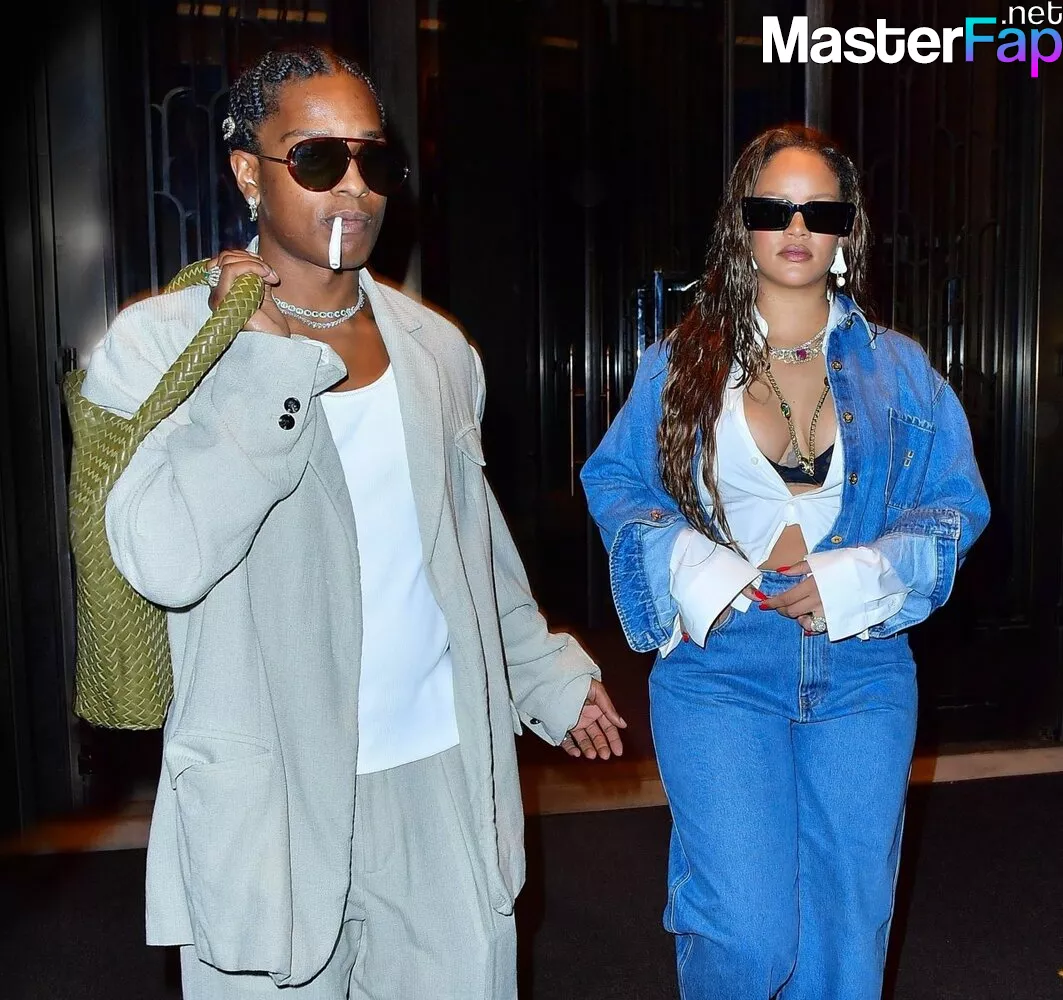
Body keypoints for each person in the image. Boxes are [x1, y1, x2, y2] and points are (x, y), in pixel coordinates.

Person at [81, 44, 625, 1000]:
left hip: (440, 778)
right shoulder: (162, 344)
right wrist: (261, 369)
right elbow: (162, 559)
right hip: (268, 795)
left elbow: (469, 554)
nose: (355, 187)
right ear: (249, 172)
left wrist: (545, 675)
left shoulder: (434, 349)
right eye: (319, 158)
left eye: (375, 160)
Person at [581, 125, 989, 999]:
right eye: (774, 208)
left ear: (847, 230)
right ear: (743, 224)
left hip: (862, 668)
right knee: (745, 932)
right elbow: (615, 481)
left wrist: (853, 580)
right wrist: (702, 572)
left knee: (844, 941)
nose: (797, 227)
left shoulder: (900, 369)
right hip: (720, 667)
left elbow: (954, 504)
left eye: (820, 211)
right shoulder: (680, 361)